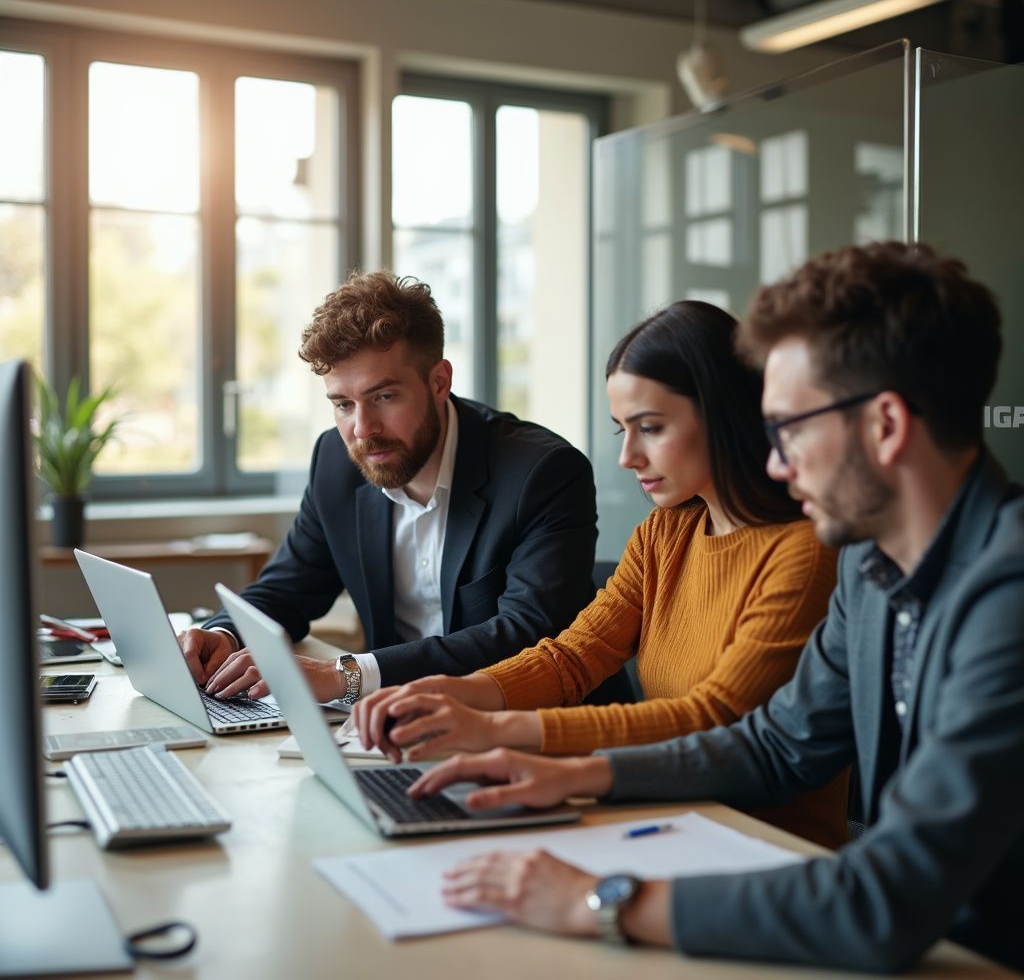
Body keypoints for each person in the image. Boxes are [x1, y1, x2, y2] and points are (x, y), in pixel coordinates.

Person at [405, 242, 1024, 973]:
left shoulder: (1007, 594)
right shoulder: (871, 563)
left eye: (791, 429)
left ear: (885, 426)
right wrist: (576, 774)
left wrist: (600, 901)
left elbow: (883, 900)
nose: (775, 463)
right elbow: (775, 744)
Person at [356, 299, 846, 848]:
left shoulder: (803, 552)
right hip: (661, 812)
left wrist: (497, 729)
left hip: (763, 841)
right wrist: (455, 692)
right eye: (622, 431)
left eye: (651, 428)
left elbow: (712, 718)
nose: (629, 457)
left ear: (724, 413)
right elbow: (572, 657)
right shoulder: (665, 533)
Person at [178, 270, 598, 705]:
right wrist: (222, 634)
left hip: (533, 728)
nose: (363, 429)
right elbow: (289, 588)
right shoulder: (335, 461)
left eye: (384, 397)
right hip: (393, 725)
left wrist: (347, 676)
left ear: (439, 382)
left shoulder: (541, 473)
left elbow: (525, 636)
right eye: (343, 404)